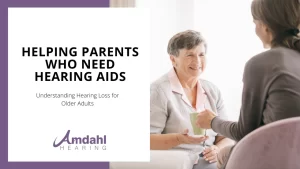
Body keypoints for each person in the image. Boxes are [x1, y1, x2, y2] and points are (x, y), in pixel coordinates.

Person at [196, 0, 300, 168]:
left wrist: (212, 121)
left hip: (274, 157)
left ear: (265, 26)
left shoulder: (262, 63)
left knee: (224, 155)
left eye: (255, 23)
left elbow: (244, 132)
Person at [150, 30, 234, 169]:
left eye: (201, 54)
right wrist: (179, 139)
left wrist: (217, 149)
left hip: (210, 162)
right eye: (190, 55)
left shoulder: (212, 90)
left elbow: (226, 136)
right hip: (177, 162)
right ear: (173, 59)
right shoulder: (158, 91)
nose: (197, 61)